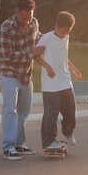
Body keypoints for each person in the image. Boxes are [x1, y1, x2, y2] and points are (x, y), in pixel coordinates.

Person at [0, 0, 42, 160]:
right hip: (9, 74)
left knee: (24, 111)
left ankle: (19, 144)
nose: (27, 21)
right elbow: (6, 55)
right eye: (24, 18)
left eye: (30, 17)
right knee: (10, 110)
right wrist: (31, 54)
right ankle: (8, 147)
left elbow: (37, 39)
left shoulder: (34, 22)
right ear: (17, 12)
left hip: (26, 75)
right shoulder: (6, 28)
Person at [34, 11, 81, 150]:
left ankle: (68, 132)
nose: (64, 34)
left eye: (67, 32)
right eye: (63, 31)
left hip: (65, 81)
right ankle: (49, 141)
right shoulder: (46, 38)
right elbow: (35, 55)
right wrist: (48, 67)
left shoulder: (66, 37)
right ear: (56, 26)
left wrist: (73, 69)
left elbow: (63, 56)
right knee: (51, 113)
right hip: (50, 83)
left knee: (71, 109)